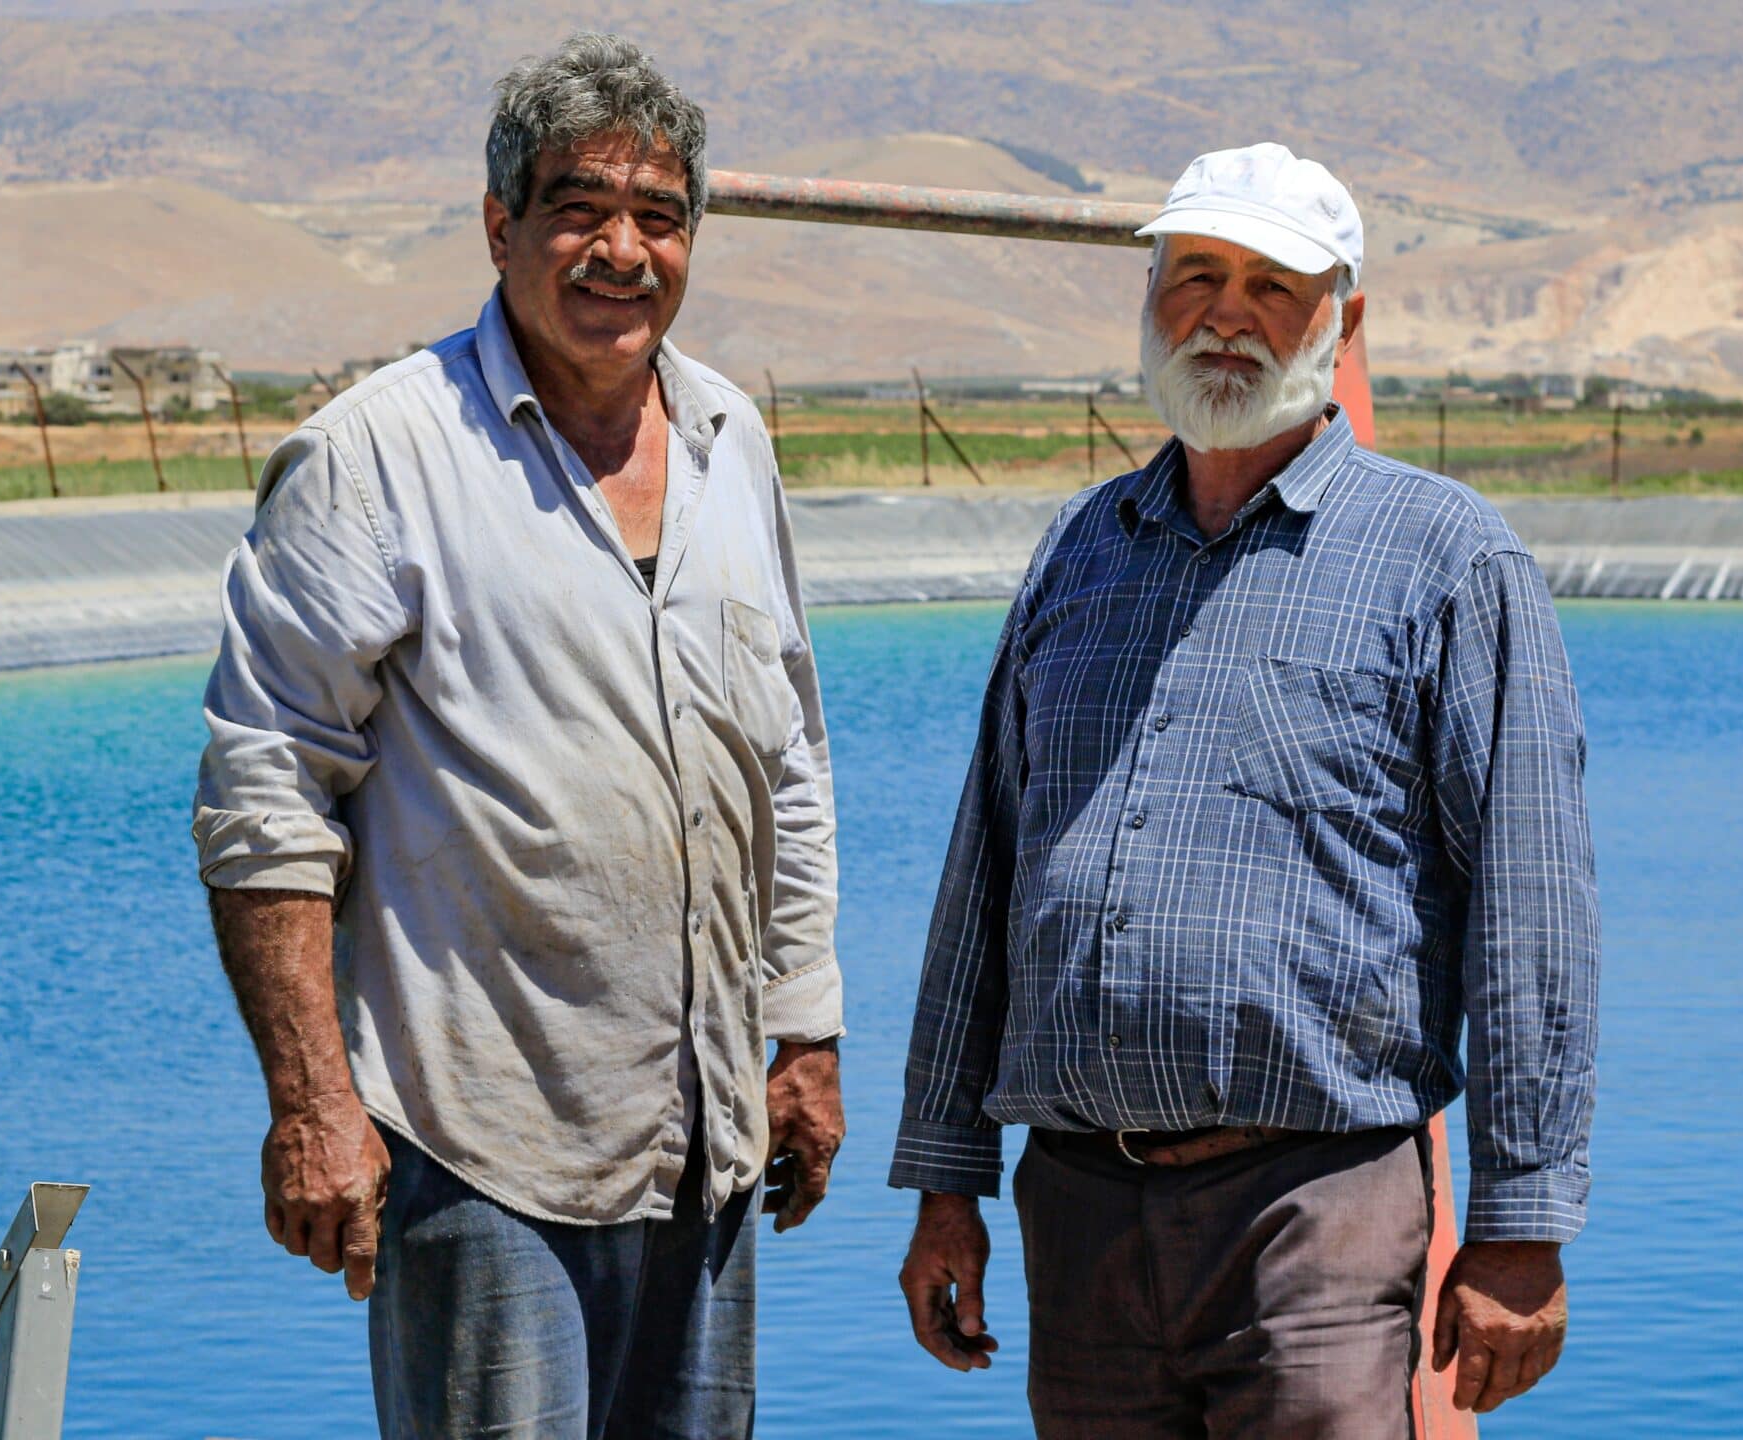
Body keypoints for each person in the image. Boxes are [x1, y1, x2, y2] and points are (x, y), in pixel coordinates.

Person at [889, 143, 1599, 1436]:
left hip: (1315, 1208)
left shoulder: (1446, 560)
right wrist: (948, 1180)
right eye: (1197, 277)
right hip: (1078, 1212)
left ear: (1344, 320)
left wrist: (1521, 1223)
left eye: (1274, 286)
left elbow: (1530, 907)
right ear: (1151, 299)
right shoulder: (1082, 549)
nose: (1227, 316)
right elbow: (985, 874)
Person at [191, 33, 843, 1440]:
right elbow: (267, 792)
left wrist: (803, 1032)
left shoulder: (731, 439)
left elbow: (787, 761)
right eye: (578, 208)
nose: (622, 251)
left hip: (708, 1145)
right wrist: (312, 1103)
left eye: (658, 215)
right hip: (478, 1152)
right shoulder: (375, 456)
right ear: (500, 226)